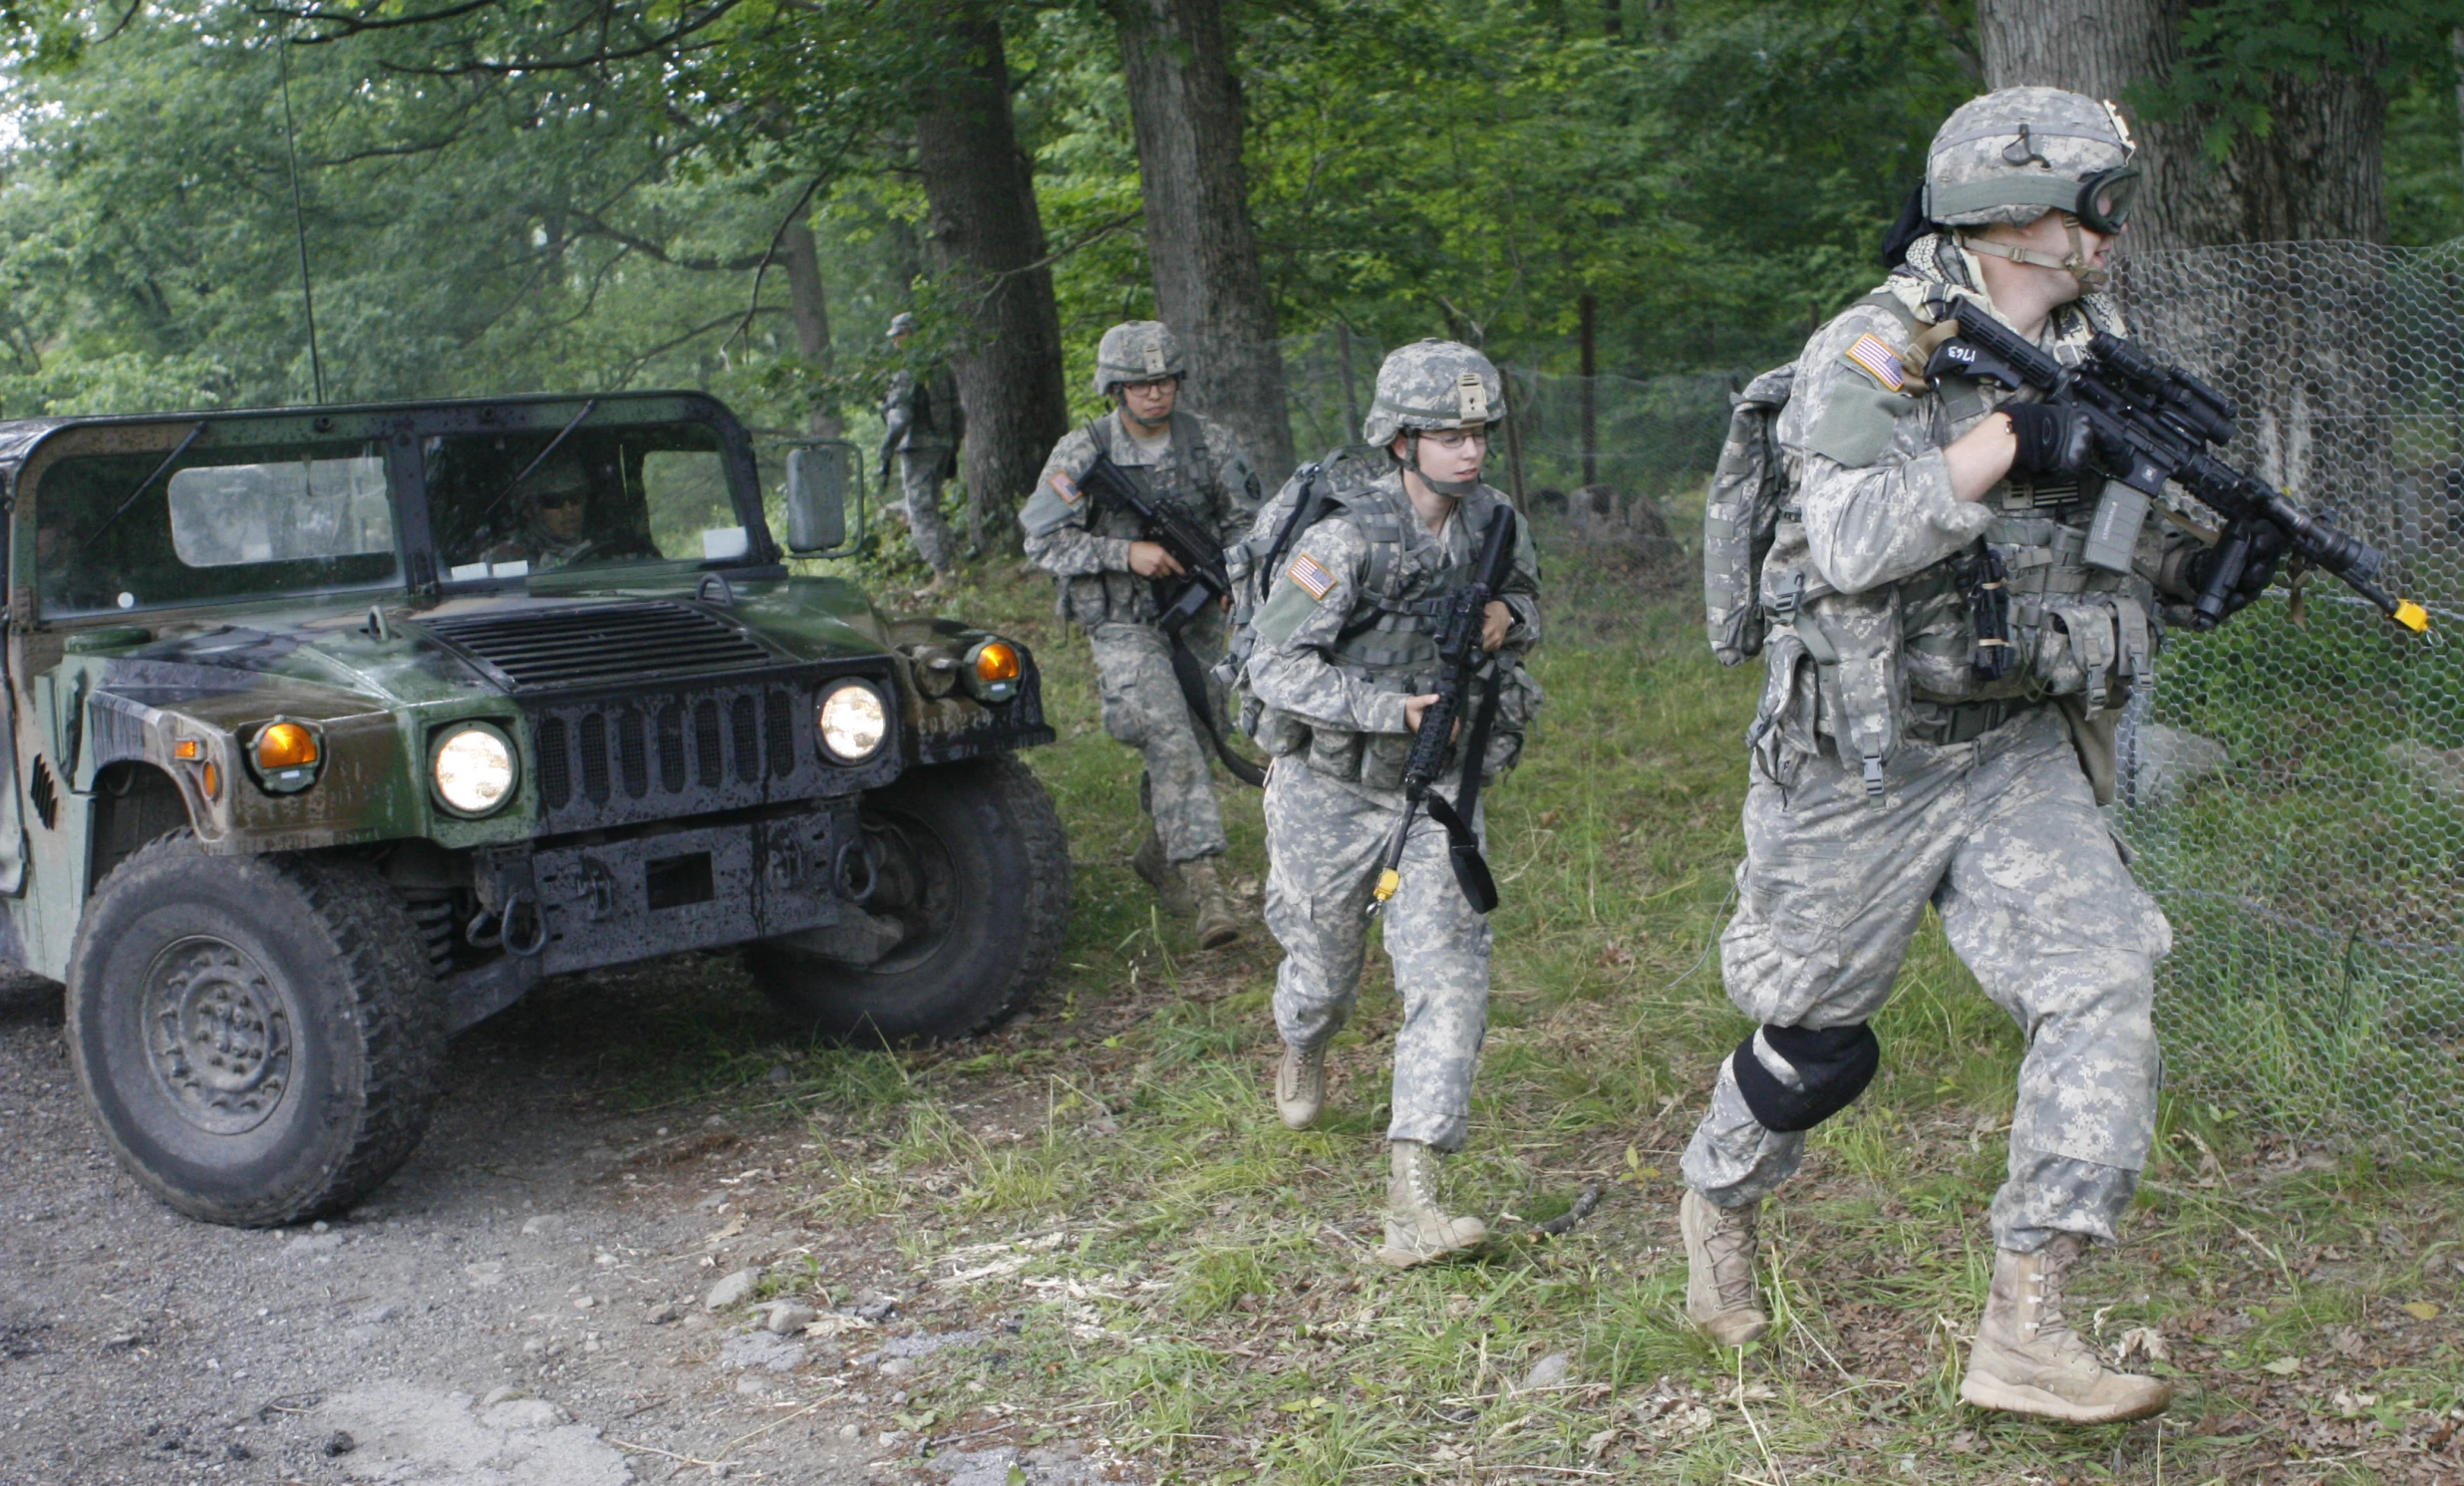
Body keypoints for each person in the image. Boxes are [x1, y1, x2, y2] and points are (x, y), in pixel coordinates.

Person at [1673, 88, 2275, 1424]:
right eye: (2097, 205)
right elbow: (1852, 540)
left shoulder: (2094, 349)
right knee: (1819, 1034)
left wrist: (2197, 568)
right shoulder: (1880, 349)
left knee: (2104, 974)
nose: (2112, 235)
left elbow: (2106, 538)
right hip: (1863, 759)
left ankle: (2028, 1321)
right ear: (2018, 212)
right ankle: (1719, 1190)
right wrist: (2003, 441)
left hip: (2014, 745)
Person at [1241, 339, 1543, 1268]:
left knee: (1449, 980)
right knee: (1324, 973)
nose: (1471, 451)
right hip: (1330, 790)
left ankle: (1414, 1193)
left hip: (1440, 791)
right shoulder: (1343, 539)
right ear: (1401, 440)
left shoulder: (1495, 523)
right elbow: (1272, 663)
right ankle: (1302, 1042)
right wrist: (1389, 708)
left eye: (1480, 432)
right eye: (1449, 435)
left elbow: (1530, 605)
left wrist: (1509, 618)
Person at [1020, 320, 1262, 947]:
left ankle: (1159, 853)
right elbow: (1040, 537)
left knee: (1204, 735)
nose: (1155, 394)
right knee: (1170, 733)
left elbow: (1248, 525)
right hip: (1124, 620)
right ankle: (1205, 886)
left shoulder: (1210, 444)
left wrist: (1237, 576)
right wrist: (1125, 554)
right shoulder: (1083, 451)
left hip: (1199, 612)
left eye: (1164, 381)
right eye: (1139, 384)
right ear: (1115, 389)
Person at [880, 312, 967, 594]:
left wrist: (886, 450)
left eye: (898, 336)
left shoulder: (909, 371)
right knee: (930, 507)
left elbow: (901, 418)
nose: (895, 342)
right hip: (942, 445)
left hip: (919, 447)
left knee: (920, 511)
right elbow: (958, 413)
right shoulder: (940, 368)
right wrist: (952, 446)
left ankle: (943, 574)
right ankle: (953, 567)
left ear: (908, 335)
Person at [480, 451, 601, 570]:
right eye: (554, 501)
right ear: (529, 509)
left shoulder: (607, 549)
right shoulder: (508, 559)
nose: (568, 509)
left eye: (575, 497)